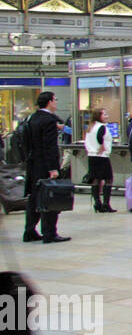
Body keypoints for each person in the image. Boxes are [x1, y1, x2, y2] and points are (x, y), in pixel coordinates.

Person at [21, 92, 67, 243]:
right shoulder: (49, 121)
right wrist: (53, 168)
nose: (56, 103)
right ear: (49, 102)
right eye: (55, 100)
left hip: (33, 165)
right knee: (49, 198)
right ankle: (49, 233)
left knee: (34, 199)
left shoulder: (31, 118)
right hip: (45, 166)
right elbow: (50, 147)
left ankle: (29, 231)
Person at [84, 107, 115, 213]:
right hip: (102, 157)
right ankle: (106, 204)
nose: (107, 116)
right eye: (104, 114)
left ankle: (97, 202)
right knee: (108, 179)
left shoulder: (90, 127)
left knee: (96, 179)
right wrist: (102, 146)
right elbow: (99, 137)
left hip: (92, 156)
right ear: (99, 116)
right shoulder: (102, 127)